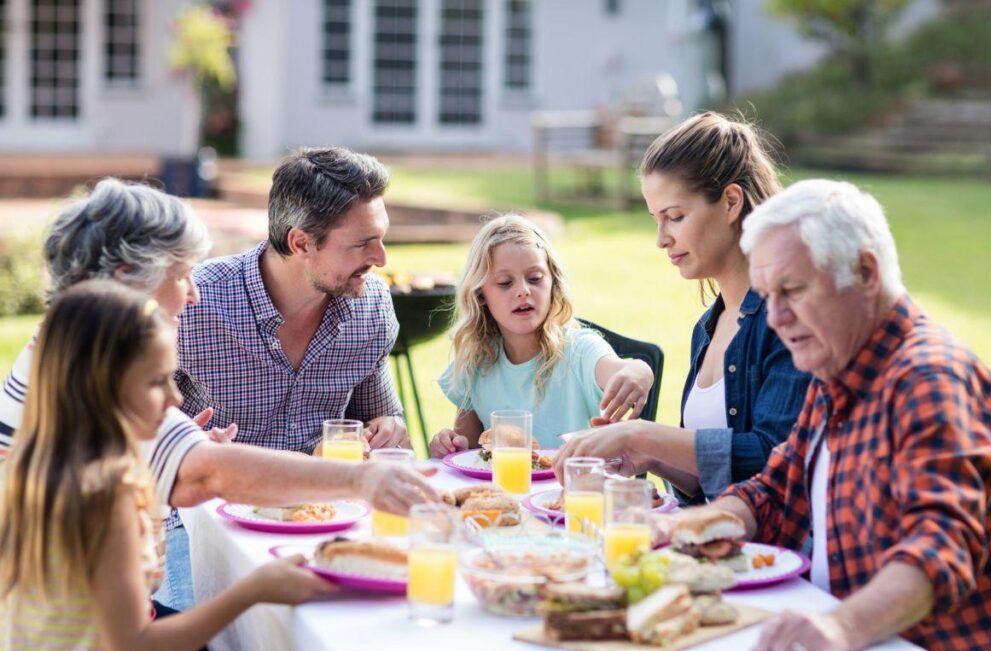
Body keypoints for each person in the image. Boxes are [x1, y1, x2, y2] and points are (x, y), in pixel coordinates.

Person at [0, 179, 438, 613]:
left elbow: (170, 477)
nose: (193, 293)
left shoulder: (69, 341)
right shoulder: (95, 363)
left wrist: (173, 451)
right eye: (181, 276)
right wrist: (360, 481)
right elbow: (204, 476)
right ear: (126, 275)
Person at [660, 179, 991, 651]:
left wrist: (838, 626)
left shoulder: (927, 379)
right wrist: (680, 528)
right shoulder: (837, 368)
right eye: (767, 296)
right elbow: (776, 492)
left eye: (793, 291)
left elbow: (939, 550)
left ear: (865, 272)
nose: (776, 319)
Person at [0, 280, 339, 651]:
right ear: (101, 388)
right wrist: (255, 589)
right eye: (157, 381)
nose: (176, 398)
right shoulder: (106, 499)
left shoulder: (37, 467)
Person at [555, 112, 810, 502]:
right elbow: (709, 482)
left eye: (674, 217)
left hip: (765, 542)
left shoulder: (788, 320)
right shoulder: (707, 327)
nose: (661, 239)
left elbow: (773, 459)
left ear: (730, 202)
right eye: (656, 220)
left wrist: (641, 434)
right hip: (707, 535)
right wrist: (651, 456)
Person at [176, 147, 409, 454]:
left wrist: (389, 427)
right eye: (362, 244)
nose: (381, 259)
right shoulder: (192, 303)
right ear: (300, 243)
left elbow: (382, 418)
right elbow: (132, 437)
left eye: (381, 238)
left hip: (326, 487)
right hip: (214, 484)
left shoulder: (371, 306)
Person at [428, 214, 655, 453]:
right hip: (507, 479)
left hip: (576, 477)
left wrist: (640, 370)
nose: (523, 291)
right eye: (505, 282)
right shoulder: (475, 361)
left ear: (552, 283)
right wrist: (451, 445)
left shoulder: (581, 349)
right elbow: (468, 451)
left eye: (535, 279)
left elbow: (620, 371)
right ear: (480, 294)